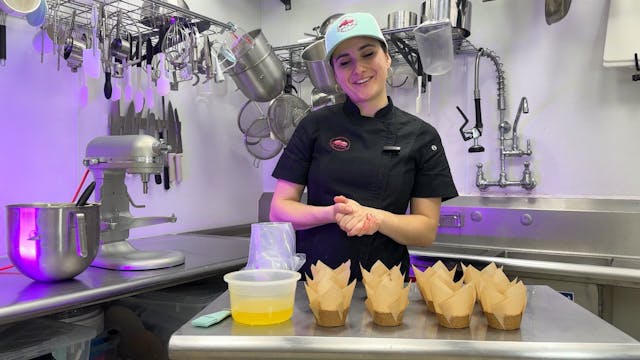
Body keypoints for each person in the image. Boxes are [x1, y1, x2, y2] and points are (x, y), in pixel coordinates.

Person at [270, 12, 458, 281]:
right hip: (317, 284)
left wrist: (375, 218)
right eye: (344, 62)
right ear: (335, 73)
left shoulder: (421, 136)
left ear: (387, 58)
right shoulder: (314, 125)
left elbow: (426, 230)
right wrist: (333, 214)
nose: (358, 69)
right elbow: (279, 210)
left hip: (388, 287)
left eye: (368, 54)